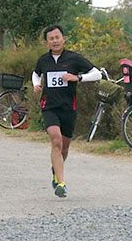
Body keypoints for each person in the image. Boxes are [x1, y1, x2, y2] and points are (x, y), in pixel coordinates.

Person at [32, 24, 102, 198]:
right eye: (51, 39)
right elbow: (35, 74)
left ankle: (56, 171)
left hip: (68, 108)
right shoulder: (43, 60)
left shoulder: (74, 58)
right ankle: (61, 184)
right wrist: (36, 84)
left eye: (57, 37)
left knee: (64, 148)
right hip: (49, 107)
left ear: (63, 39)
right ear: (47, 43)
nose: (55, 41)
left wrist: (77, 77)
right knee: (56, 140)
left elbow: (97, 74)